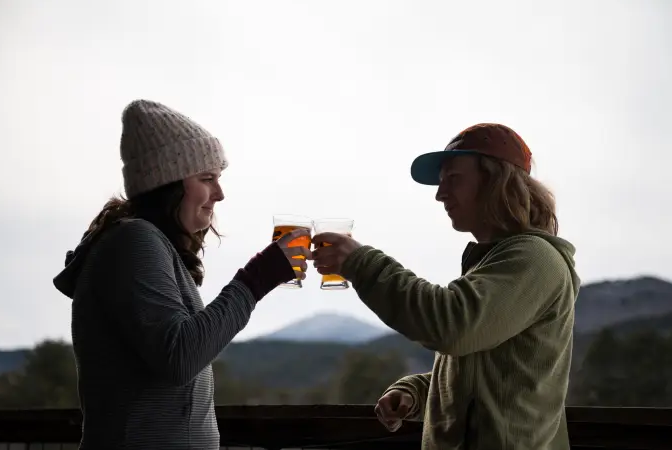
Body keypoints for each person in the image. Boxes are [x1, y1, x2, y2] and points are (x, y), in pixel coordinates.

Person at [52, 99, 312, 450]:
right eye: (207, 179)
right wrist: (258, 277)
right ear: (168, 184)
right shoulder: (134, 240)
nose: (220, 194)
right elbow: (180, 357)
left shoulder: (141, 243)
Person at [311, 123, 580, 450]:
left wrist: (360, 262)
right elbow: (483, 377)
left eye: (453, 178)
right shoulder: (499, 260)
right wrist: (418, 392)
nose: (439, 194)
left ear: (496, 180)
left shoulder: (532, 258)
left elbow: (451, 326)